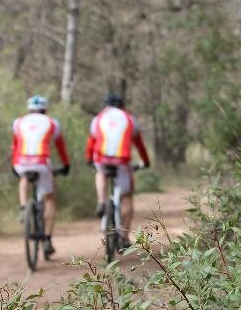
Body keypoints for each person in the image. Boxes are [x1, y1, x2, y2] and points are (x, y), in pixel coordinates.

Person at [85, 93, 150, 249]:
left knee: (100, 172)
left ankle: (101, 201)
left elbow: (91, 142)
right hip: (122, 161)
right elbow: (139, 144)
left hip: (101, 158)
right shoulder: (129, 119)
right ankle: (124, 237)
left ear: (106, 105)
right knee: (127, 197)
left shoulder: (98, 118)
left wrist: (89, 158)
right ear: (122, 105)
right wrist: (145, 161)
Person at [12, 95, 70, 257]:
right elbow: (60, 147)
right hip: (42, 162)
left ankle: (24, 207)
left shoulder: (18, 122)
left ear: (29, 108)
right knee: (49, 198)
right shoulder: (52, 122)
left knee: (23, 177)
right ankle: (48, 239)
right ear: (45, 109)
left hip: (21, 161)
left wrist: (13, 165)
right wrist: (66, 165)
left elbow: (15, 146)